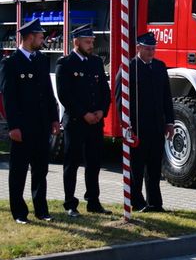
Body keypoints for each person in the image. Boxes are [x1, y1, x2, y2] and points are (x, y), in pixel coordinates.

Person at [0, 19, 60, 224]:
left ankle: (41, 210)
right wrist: (14, 126)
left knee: (40, 170)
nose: (44, 39)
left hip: (42, 125)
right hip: (23, 127)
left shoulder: (41, 60)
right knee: (18, 171)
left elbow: (48, 93)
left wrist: (54, 119)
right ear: (29, 37)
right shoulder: (11, 62)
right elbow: (9, 98)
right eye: (40, 36)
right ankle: (18, 212)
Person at [55, 24, 112, 217]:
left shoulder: (95, 62)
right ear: (76, 41)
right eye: (87, 42)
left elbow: (105, 91)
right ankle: (70, 203)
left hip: (95, 123)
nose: (91, 45)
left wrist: (101, 111)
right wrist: (83, 114)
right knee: (72, 163)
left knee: (94, 163)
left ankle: (93, 201)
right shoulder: (65, 63)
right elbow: (64, 95)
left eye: (92, 42)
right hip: (76, 123)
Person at [115, 32, 174, 212]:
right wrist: (126, 126)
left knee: (155, 168)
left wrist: (170, 122)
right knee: (137, 168)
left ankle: (155, 203)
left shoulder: (159, 67)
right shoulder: (128, 68)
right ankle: (137, 201)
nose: (151, 52)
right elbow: (120, 100)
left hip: (156, 126)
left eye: (153, 49)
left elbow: (166, 97)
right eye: (148, 49)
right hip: (138, 127)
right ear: (138, 48)